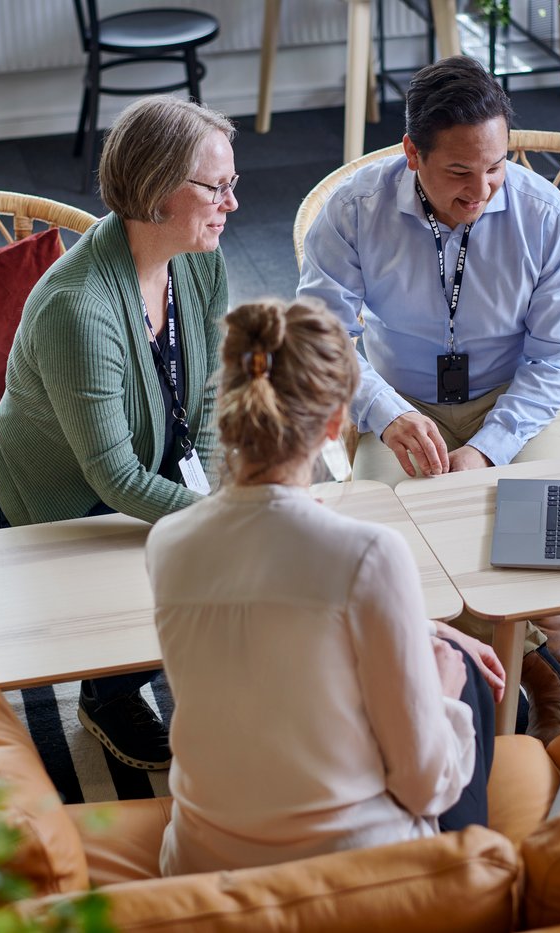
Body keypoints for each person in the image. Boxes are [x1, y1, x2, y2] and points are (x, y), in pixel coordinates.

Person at [146, 297, 504, 876]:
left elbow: (274, 627)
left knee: (440, 649)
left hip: (201, 861)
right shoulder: (368, 554)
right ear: (336, 424)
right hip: (346, 872)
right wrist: (441, 688)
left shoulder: (169, 542)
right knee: (466, 678)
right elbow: (423, 787)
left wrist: (412, 623)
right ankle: (471, 888)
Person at [297, 55, 560, 742]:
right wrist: (387, 412)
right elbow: (324, 336)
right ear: (412, 155)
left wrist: (488, 448)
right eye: (459, 172)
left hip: (514, 399)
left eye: (494, 167)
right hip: (398, 402)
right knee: (388, 560)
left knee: (529, 545)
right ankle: (541, 670)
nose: (482, 190)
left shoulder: (546, 216)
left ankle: (518, 666)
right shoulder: (353, 210)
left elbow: (559, 358)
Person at [0, 95, 238, 771]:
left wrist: (210, 493)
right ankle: (107, 692)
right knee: (179, 564)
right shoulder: (78, 308)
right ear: (157, 192)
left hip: (154, 450)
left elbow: (209, 389)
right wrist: (222, 517)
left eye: (232, 184)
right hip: (63, 499)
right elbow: (112, 478)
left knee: (220, 542)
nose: (232, 204)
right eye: (217, 187)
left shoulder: (198, 258)